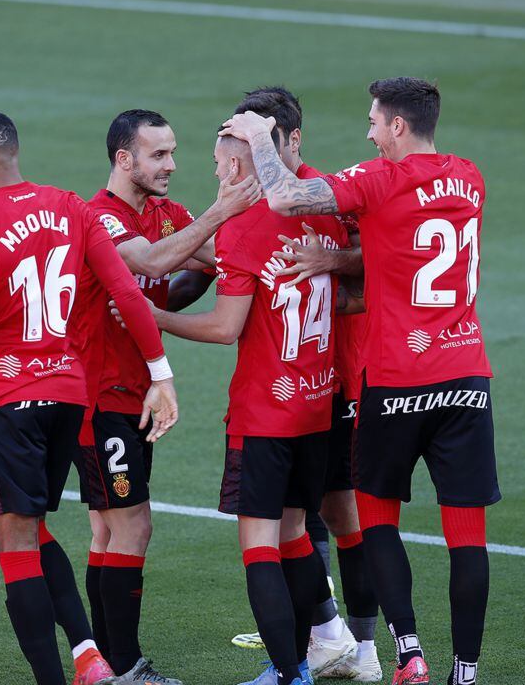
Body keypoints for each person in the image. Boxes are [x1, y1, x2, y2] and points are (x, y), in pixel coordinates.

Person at [222, 77, 500, 685]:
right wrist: (338, 260)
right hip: (467, 376)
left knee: (376, 522)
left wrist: (258, 138)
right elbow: (402, 252)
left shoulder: (377, 180)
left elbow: (287, 199)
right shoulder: (470, 177)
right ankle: (466, 672)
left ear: (397, 126)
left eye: (375, 122)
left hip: (397, 381)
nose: (370, 133)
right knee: (468, 537)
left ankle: (409, 657)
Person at [0, 111, 179, 685]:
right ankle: (90, 656)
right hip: (70, 395)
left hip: (8, 397)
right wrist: (162, 375)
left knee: (16, 547)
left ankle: (63, 675)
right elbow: (126, 290)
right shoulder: (74, 207)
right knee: (37, 528)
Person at [147, 131, 350, 685]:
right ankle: (312, 655)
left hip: (264, 412)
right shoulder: (325, 215)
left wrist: (155, 318)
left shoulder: (244, 227)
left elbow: (224, 326)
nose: (215, 175)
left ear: (240, 165)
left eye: (218, 165)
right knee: (297, 536)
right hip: (315, 405)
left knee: (260, 546)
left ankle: (289, 673)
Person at [73, 109, 259, 684]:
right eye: (158, 155)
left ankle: (105, 664)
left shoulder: (164, 213)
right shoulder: (98, 218)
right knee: (132, 526)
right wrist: (220, 211)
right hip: (101, 396)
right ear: (124, 159)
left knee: (109, 529)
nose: (172, 165)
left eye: (174, 153)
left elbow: (210, 258)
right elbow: (152, 260)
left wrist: (231, 238)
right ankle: (125, 668)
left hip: (132, 396)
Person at [237, 87, 381, 682]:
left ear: (293, 140)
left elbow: (380, 267)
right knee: (309, 515)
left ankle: (357, 645)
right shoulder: (262, 202)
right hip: (311, 385)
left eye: (262, 138)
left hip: (340, 382)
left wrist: (334, 261)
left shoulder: (331, 198)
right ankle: (328, 636)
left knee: (337, 513)